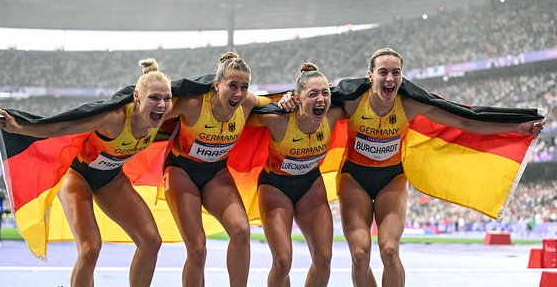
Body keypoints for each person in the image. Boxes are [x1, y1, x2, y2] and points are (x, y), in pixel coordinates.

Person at [278, 47, 545, 287]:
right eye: (383, 72)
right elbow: (312, 102)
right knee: (360, 254)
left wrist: (515, 126)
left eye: (396, 72)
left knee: (390, 251)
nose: (390, 79)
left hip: (391, 180)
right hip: (354, 179)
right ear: (370, 76)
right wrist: (289, 99)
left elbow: (466, 121)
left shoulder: (409, 103)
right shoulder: (350, 100)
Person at [0, 58, 174, 287]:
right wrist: (20, 127)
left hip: (111, 179)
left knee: (151, 241)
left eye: (167, 98)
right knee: (90, 248)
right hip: (77, 176)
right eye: (154, 98)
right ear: (136, 97)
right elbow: (65, 126)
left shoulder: (165, 114)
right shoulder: (114, 119)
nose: (162, 105)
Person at [162, 51, 258, 287]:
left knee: (241, 231)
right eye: (232, 85)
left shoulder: (249, 102)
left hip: (216, 173)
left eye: (244, 86)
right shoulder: (193, 104)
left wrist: (292, 99)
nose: (238, 93)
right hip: (180, 171)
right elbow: (151, 111)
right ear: (216, 85)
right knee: (197, 247)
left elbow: (278, 106)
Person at [247, 62, 344, 286]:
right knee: (282, 262)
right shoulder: (279, 119)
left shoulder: (333, 114)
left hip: (311, 186)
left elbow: (362, 95)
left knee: (324, 258)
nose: (321, 100)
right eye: (313, 94)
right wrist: (276, 101)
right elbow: (244, 116)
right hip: (275, 188)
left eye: (325, 93)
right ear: (298, 98)